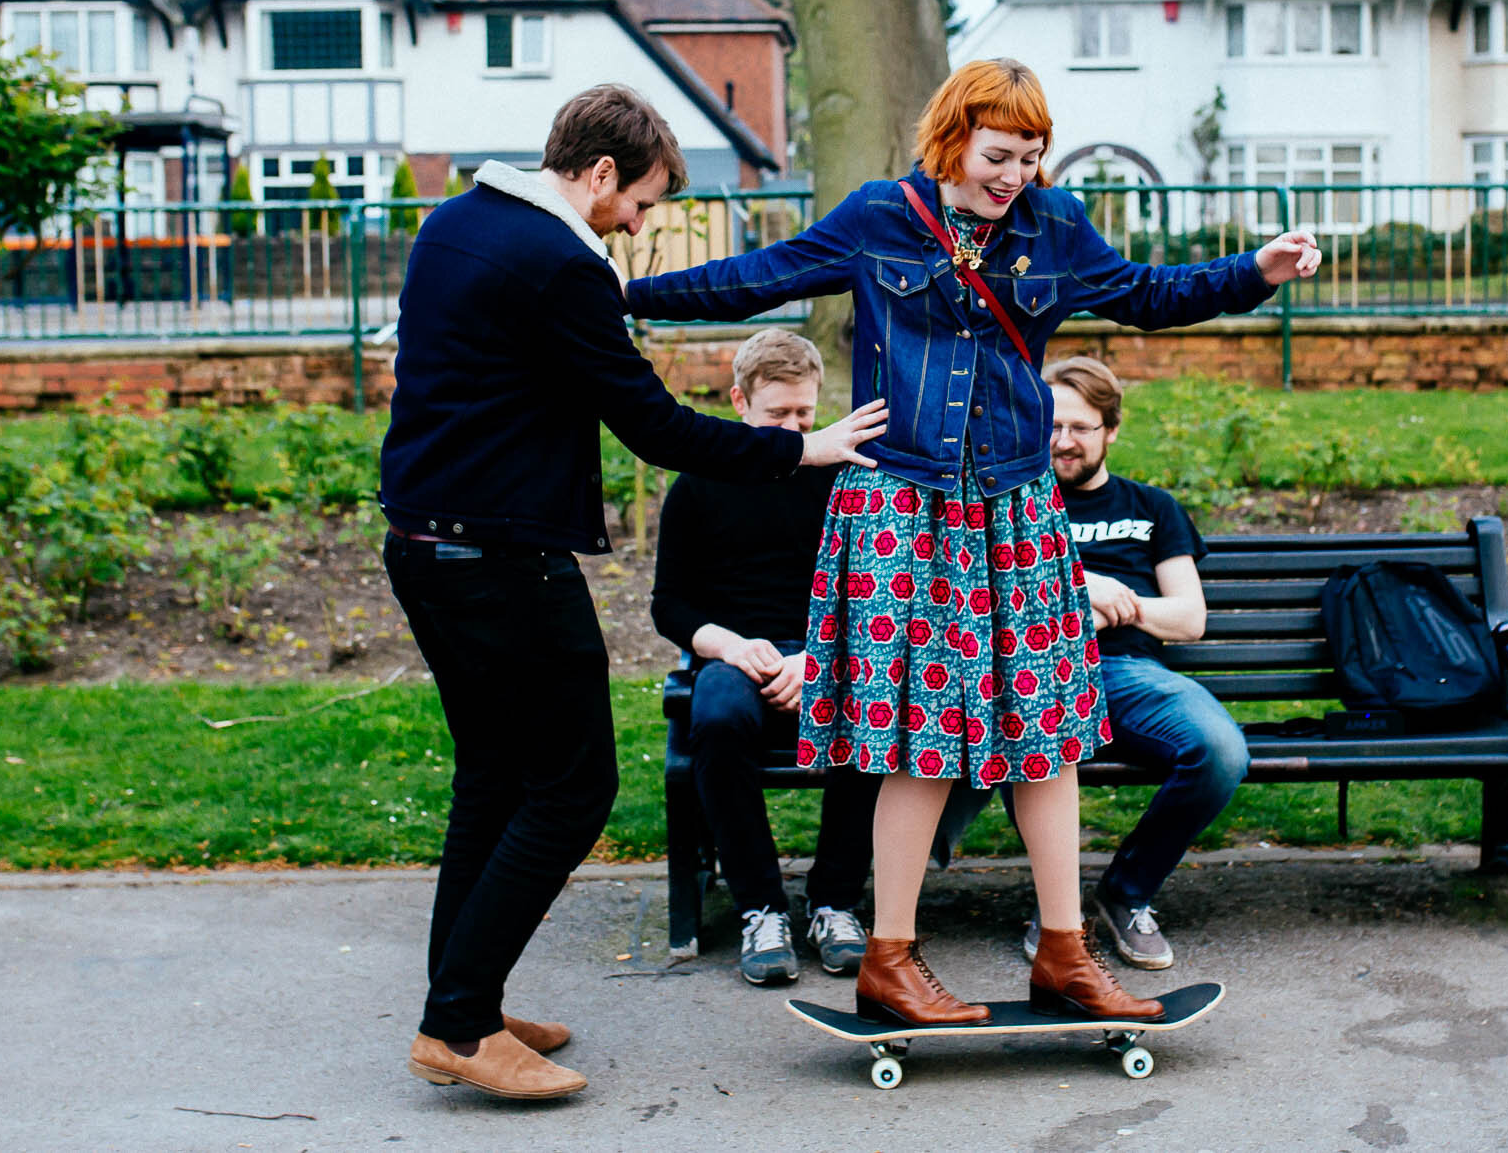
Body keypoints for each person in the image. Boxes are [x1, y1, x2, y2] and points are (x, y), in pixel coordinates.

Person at [626, 58, 1320, 1028]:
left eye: (1030, 157)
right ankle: (890, 958)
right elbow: (755, 277)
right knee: (917, 736)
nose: (1013, 176)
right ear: (952, 137)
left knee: (1047, 731)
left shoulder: (1052, 224)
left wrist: (1253, 273)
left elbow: (1144, 291)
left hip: (1014, 508)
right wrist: (622, 296)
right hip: (903, 510)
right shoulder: (881, 217)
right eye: (998, 154)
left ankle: (1067, 952)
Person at [377, 85, 886, 1102]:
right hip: (506, 557)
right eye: (642, 201)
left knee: (492, 778)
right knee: (571, 788)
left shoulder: (456, 223)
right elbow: (655, 425)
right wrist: (802, 445)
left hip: (424, 543)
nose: (639, 221)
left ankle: (461, 996)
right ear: (601, 172)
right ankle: (458, 1020)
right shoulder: (561, 262)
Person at [651, 329, 880, 986]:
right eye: (777, 414)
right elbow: (671, 604)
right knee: (717, 718)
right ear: (739, 401)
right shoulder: (699, 484)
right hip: (734, 654)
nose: (793, 428)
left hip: (828, 651)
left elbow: (871, 591)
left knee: (869, 706)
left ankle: (835, 900)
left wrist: (817, 657)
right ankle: (761, 907)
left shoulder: (843, 477)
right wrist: (727, 644)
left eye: (805, 414)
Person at [1027, 355, 1248, 971]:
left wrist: (1114, 609)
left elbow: (1189, 620)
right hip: (1034, 673)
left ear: (1112, 430)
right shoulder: (1015, 508)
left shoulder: (1152, 508)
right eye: (1051, 426)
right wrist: (1083, 597)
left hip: (1131, 676)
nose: (1063, 442)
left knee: (1221, 752)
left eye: (1081, 428)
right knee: (1031, 730)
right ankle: (1057, 917)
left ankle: (1125, 892)